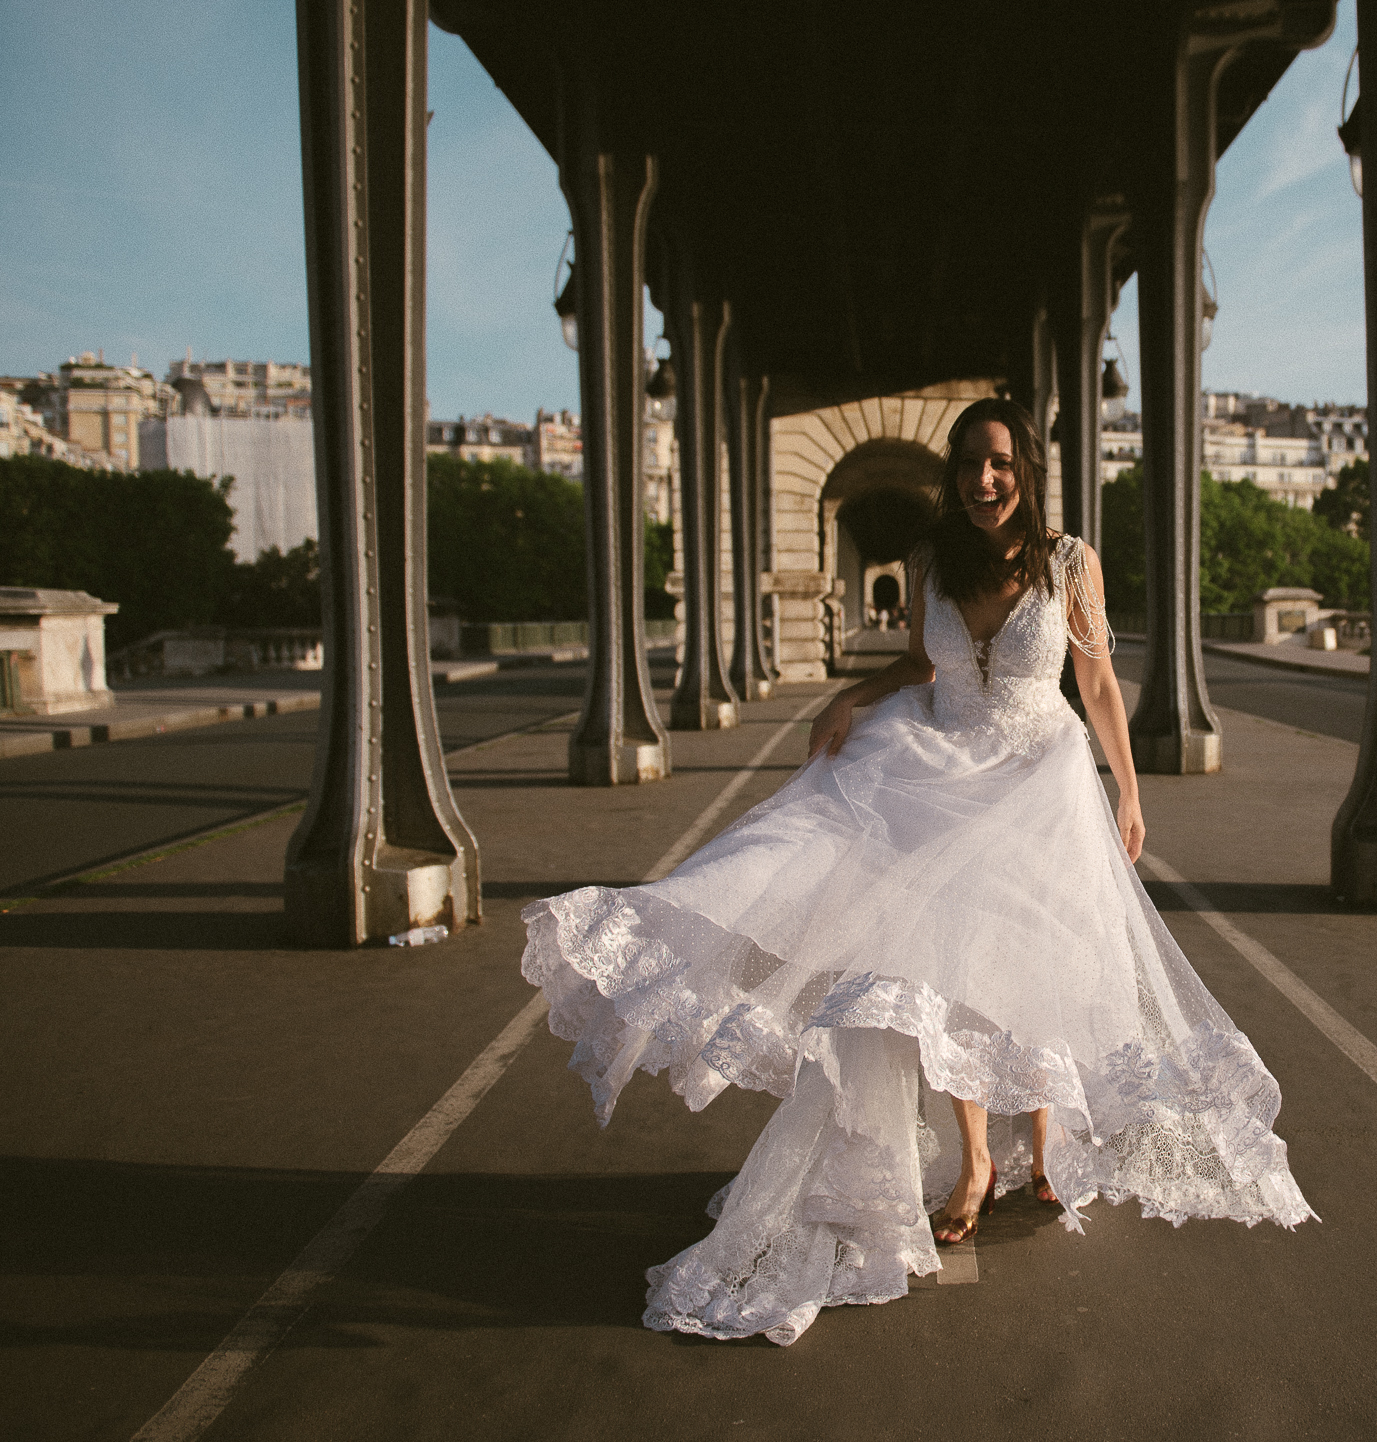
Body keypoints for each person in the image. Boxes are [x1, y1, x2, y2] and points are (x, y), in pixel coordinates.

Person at [521, 397, 1314, 1346]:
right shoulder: (931, 558)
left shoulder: (1069, 563)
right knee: (941, 971)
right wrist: (853, 698)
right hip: (937, 775)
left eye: (1002, 464)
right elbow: (919, 668)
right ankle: (977, 1158)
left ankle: (1045, 1138)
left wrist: (1130, 792)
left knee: (1041, 957)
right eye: (971, 464)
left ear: (1027, 467)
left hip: (1039, 779)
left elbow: (1097, 681)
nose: (985, 481)